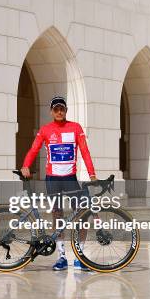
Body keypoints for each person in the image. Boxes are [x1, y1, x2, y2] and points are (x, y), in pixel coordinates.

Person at [21, 96, 97, 271]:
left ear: (66, 110)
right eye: (56, 109)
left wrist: (92, 174)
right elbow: (34, 149)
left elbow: (85, 151)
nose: (59, 111)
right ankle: (61, 256)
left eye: (62, 108)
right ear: (51, 111)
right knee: (57, 214)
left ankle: (80, 255)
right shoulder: (46, 130)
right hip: (53, 179)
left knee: (82, 216)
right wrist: (25, 165)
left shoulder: (75, 127)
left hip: (70, 178)